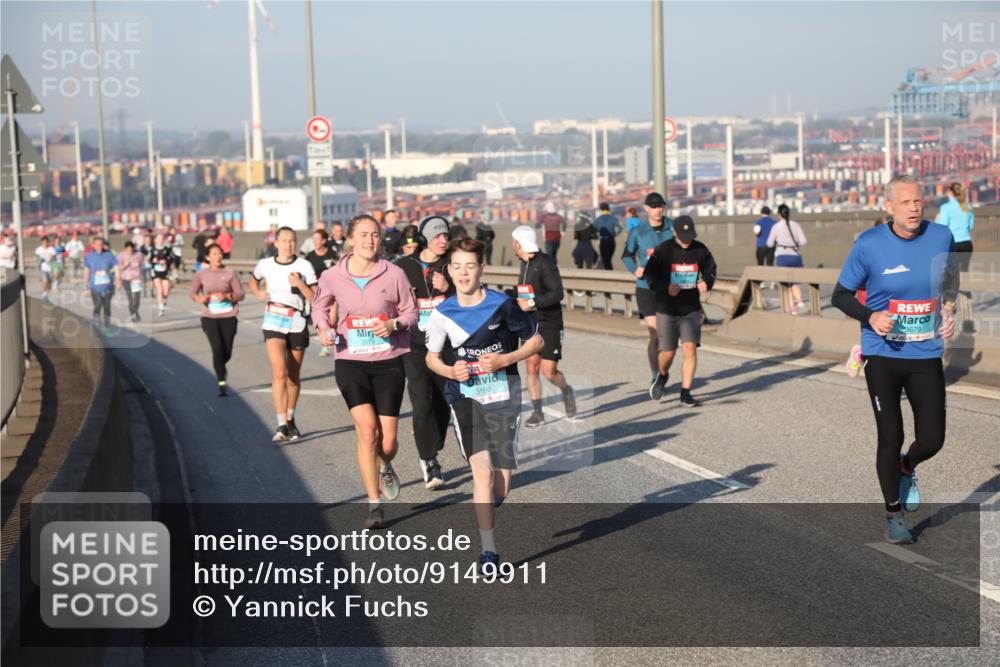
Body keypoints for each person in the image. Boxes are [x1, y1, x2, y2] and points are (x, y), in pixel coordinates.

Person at [831, 174, 957, 545]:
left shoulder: (941, 237)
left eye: (918, 201)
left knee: (932, 438)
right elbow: (840, 295)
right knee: (891, 435)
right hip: (881, 352)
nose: (914, 208)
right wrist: (870, 316)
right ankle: (893, 515)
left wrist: (947, 308)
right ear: (889, 207)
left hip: (925, 351)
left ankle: (908, 466)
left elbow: (950, 278)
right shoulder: (869, 244)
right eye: (905, 202)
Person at [425, 238, 544, 571]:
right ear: (449, 270)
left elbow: (537, 340)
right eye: (457, 267)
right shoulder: (441, 313)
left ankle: (489, 508)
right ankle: (488, 552)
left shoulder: (502, 304)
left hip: (503, 394)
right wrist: (450, 370)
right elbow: (431, 358)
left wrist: (505, 358)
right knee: (483, 471)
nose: (463, 274)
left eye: (470, 266)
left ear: (482, 269)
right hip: (464, 396)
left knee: (501, 485)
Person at [312, 214, 418, 528]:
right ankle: (374, 504)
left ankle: (385, 465)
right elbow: (320, 305)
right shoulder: (332, 275)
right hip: (350, 359)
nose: (369, 240)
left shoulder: (394, 273)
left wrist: (394, 324)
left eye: (374, 235)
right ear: (350, 240)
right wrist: (322, 327)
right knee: (367, 431)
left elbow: (411, 312)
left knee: (387, 442)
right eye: (363, 235)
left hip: (388, 359)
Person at [395, 216, 454, 490]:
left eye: (446, 235)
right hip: (415, 346)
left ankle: (433, 444)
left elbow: (472, 295)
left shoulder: (453, 263)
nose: (443, 240)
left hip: (446, 346)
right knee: (422, 402)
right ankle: (429, 461)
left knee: (444, 403)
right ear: (424, 238)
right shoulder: (404, 267)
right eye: (438, 236)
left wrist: (449, 288)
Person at [249, 227, 318, 442]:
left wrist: (299, 284)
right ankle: (281, 425)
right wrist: (258, 292)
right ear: (276, 243)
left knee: (293, 377)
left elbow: (315, 297)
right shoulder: (266, 265)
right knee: (279, 372)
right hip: (273, 320)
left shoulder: (304, 266)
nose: (288, 244)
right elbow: (253, 279)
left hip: (297, 322)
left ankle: (290, 418)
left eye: (292, 241)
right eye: (284, 240)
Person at [644, 216, 717, 407]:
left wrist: (706, 283)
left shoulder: (701, 250)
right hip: (667, 309)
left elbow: (711, 270)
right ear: (674, 232)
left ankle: (685, 392)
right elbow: (649, 276)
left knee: (690, 349)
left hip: (691, 308)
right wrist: (665, 287)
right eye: (683, 237)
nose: (687, 241)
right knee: (668, 353)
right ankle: (662, 375)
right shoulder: (663, 251)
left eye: (690, 236)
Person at [511, 225, 576, 427]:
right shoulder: (524, 263)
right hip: (530, 324)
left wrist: (531, 303)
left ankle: (566, 390)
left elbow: (557, 294)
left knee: (549, 371)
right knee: (532, 367)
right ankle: (537, 413)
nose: (513, 245)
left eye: (514, 242)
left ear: (518, 243)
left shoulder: (545, 263)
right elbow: (525, 292)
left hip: (550, 323)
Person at [621, 191, 675, 380]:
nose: (657, 210)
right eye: (653, 207)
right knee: (656, 335)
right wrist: (634, 269)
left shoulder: (672, 227)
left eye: (660, 206)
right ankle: (656, 375)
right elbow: (626, 255)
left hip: (669, 288)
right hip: (646, 288)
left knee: (669, 338)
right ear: (646, 209)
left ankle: (663, 368)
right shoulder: (639, 231)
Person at [191, 243, 245, 397]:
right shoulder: (201, 274)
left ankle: (221, 366)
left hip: (229, 315)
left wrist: (228, 296)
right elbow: (193, 293)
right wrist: (199, 298)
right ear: (208, 257)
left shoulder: (230, 273)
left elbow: (240, 293)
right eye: (214, 254)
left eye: (220, 253)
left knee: (226, 351)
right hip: (209, 316)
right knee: (216, 348)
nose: (218, 256)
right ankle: (221, 382)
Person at [766, 203, 808, 315]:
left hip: (782, 256)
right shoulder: (796, 225)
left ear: (779, 214)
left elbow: (769, 243)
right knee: (795, 281)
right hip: (796, 256)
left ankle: (792, 308)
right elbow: (803, 241)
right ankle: (800, 300)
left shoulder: (776, 226)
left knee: (786, 283)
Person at [304, 228, 339, 358]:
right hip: (317, 292)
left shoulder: (332, 254)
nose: (315, 242)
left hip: (334, 292)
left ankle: (336, 342)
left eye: (317, 239)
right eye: (313, 239)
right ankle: (325, 344)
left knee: (333, 319)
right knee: (321, 317)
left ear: (324, 240)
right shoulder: (310, 256)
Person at [83, 236, 119, 336]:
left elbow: (116, 266)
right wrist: (85, 284)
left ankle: (107, 328)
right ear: (93, 245)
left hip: (108, 286)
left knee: (107, 307)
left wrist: (118, 279)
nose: (99, 246)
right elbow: (87, 270)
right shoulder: (89, 256)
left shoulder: (109, 255)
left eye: (101, 244)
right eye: (97, 244)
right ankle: (96, 321)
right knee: (98, 304)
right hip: (94, 286)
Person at [116, 241, 145, 322]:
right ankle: (134, 314)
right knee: (131, 299)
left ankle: (135, 311)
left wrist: (139, 266)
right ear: (125, 249)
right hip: (126, 279)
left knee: (137, 300)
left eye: (131, 249)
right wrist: (125, 265)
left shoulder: (138, 255)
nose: (130, 251)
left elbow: (143, 264)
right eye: (128, 249)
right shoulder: (121, 255)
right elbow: (118, 267)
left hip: (136, 279)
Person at [149, 234, 175, 316]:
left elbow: (172, 258)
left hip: (165, 271)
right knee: (159, 289)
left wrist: (166, 262)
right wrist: (152, 260)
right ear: (155, 240)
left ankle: (164, 300)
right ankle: (161, 308)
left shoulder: (167, 249)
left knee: (166, 291)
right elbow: (148, 260)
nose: (160, 240)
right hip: (156, 271)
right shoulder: (152, 250)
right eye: (159, 239)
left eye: (161, 239)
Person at [593, 202, 622, 270]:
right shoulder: (614, 218)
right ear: (608, 209)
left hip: (603, 241)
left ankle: (610, 273)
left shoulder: (597, 220)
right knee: (608, 259)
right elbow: (620, 228)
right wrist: (615, 234)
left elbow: (593, 230)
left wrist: (598, 236)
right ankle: (610, 272)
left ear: (600, 209)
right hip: (611, 241)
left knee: (605, 260)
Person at [34, 236, 57, 302]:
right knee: (45, 281)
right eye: (43, 242)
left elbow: (54, 257)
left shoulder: (51, 249)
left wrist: (52, 257)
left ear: (48, 242)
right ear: (41, 242)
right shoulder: (38, 249)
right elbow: (37, 258)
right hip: (42, 268)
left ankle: (46, 294)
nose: (45, 243)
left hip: (50, 268)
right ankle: (44, 295)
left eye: (46, 242)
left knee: (49, 284)